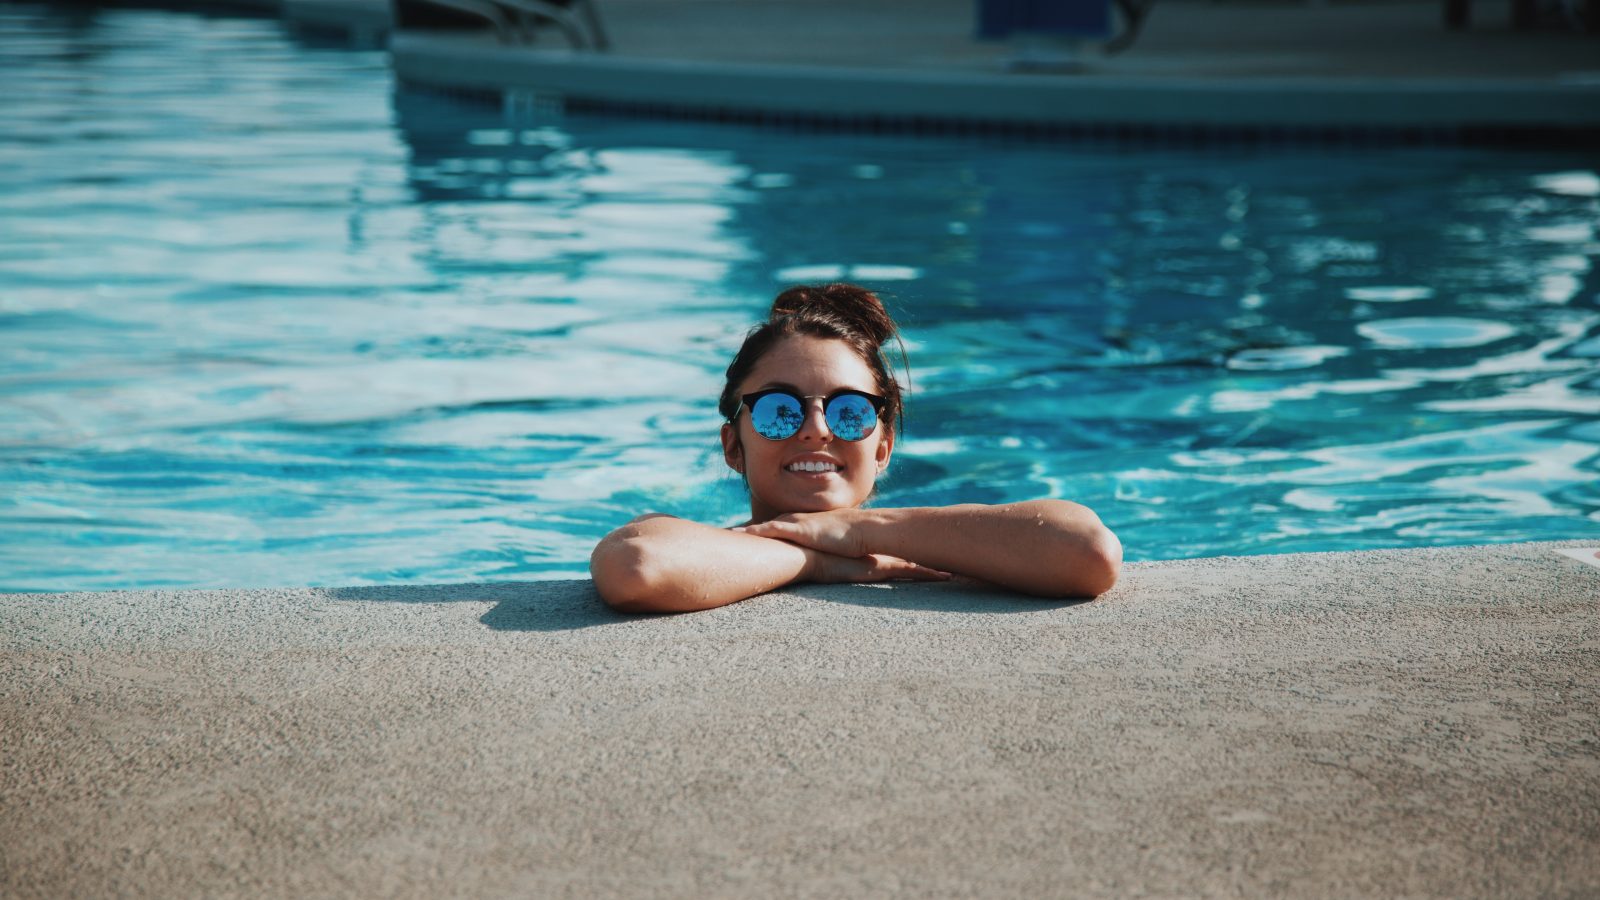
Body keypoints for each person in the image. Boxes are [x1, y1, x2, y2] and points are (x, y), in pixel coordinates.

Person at [590, 283, 1122, 614]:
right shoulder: (695, 546)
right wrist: (817, 561)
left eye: (850, 411)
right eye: (780, 410)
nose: (817, 429)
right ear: (734, 445)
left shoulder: (956, 543)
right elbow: (638, 565)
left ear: (883, 446)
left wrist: (861, 530)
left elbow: (1087, 552)